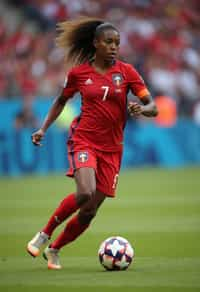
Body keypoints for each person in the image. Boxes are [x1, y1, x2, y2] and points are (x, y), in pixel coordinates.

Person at [27, 17, 158, 270]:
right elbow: (60, 101)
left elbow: (152, 105)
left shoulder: (127, 72)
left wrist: (143, 109)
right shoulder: (78, 74)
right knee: (84, 191)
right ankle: (44, 234)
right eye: (108, 42)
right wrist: (43, 129)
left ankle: (55, 249)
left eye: (117, 43)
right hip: (84, 139)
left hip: (113, 149)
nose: (114, 47)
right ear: (96, 44)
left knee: (89, 211)